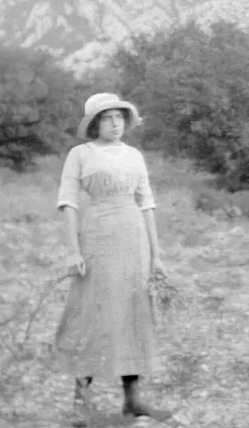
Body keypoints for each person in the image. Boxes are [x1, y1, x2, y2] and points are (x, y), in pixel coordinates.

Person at [53, 92, 171, 426]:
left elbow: (146, 203)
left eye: (120, 117)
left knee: (133, 311)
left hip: (133, 239)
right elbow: (68, 201)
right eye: (107, 118)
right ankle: (81, 400)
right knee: (91, 311)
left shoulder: (134, 155)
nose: (115, 123)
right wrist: (74, 250)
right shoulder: (80, 154)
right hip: (97, 237)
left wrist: (156, 256)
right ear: (94, 123)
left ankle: (132, 400)